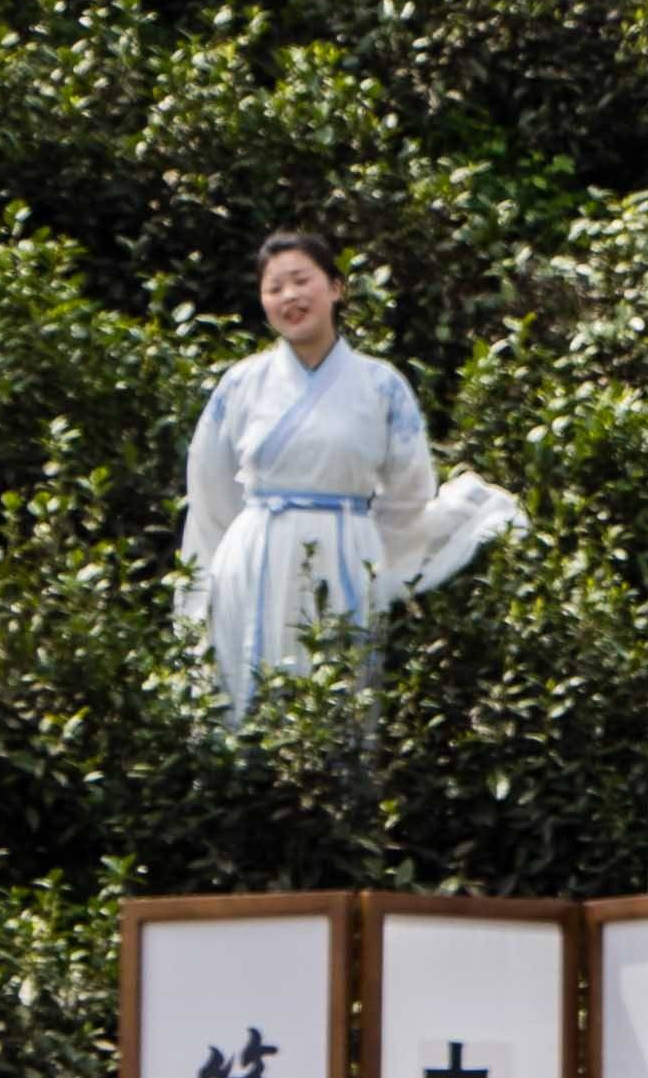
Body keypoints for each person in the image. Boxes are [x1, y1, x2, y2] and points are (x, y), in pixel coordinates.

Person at [178, 231, 524, 722]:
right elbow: (209, 488)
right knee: (248, 694)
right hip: (255, 555)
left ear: (336, 288)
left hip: (344, 551)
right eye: (275, 288)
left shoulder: (382, 385)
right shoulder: (241, 384)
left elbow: (408, 492)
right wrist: (212, 573)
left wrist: (377, 559)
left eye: (302, 281)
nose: (290, 297)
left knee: (338, 697)